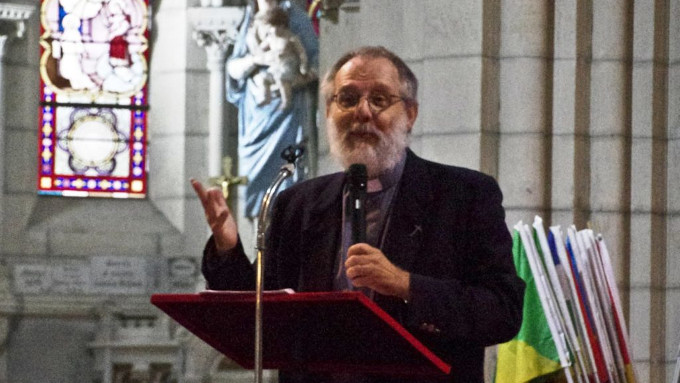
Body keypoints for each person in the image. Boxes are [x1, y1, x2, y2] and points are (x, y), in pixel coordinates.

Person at [192, 46, 525, 383]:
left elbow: (503, 311)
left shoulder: (462, 195)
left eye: (379, 99)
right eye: (347, 99)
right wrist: (226, 247)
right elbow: (260, 316)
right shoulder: (298, 204)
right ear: (328, 111)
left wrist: (405, 284)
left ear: (410, 114)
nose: (362, 112)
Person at [226, 0, 318, 218]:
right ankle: (258, 224)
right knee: (255, 180)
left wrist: (296, 79)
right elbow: (233, 68)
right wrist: (257, 59)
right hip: (257, 111)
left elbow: (316, 63)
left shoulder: (297, 18)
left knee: (290, 175)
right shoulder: (249, 22)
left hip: (289, 114)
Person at [245, 6, 309, 110]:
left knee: (281, 78)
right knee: (265, 78)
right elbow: (260, 49)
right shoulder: (270, 38)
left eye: (274, 27)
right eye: (270, 27)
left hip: (289, 65)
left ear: (282, 25)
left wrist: (303, 66)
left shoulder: (291, 38)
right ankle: (267, 97)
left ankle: (286, 101)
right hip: (277, 65)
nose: (272, 30)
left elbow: (301, 53)